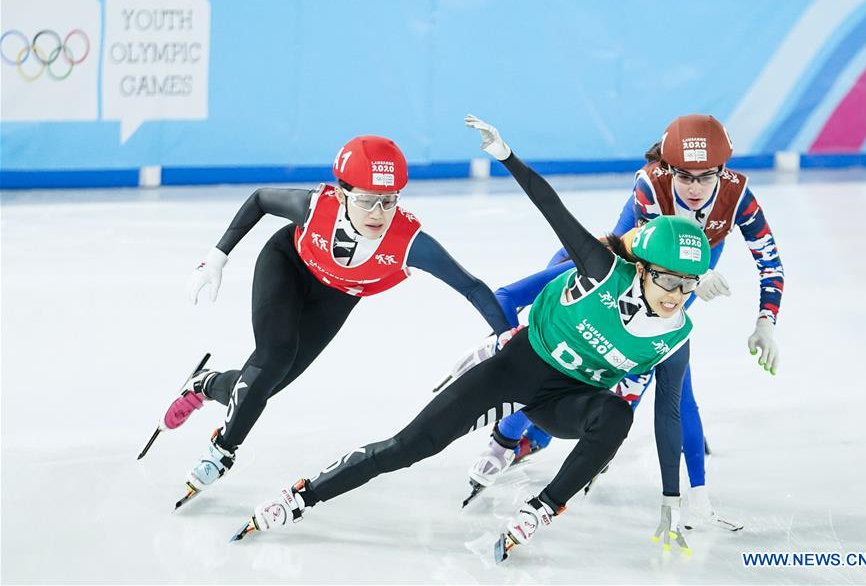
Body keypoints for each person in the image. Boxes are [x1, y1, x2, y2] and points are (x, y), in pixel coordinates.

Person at [232, 116, 711, 560]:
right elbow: (550, 205)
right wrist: (506, 155)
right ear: (642, 269)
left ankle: (539, 509)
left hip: (567, 399)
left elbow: (667, 411)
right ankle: (300, 496)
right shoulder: (602, 268)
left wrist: (673, 497)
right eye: (669, 281)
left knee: (615, 415)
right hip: (516, 367)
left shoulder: (676, 333)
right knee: (408, 447)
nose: (677, 296)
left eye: (689, 286)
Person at [466, 114, 785, 531]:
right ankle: (509, 435)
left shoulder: (738, 193)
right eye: (684, 177)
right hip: (624, 266)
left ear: (723, 172)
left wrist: (766, 321)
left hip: (673, 281)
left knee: (660, 377)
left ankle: (681, 488)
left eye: (706, 177)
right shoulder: (650, 183)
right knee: (562, 338)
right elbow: (646, 250)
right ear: (667, 169)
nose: (694, 188)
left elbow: (770, 260)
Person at [160, 135, 512, 505]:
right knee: (273, 357)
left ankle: (204, 383)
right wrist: (216, 257)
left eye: (388, 200)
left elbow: (471, 287)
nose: (378, 212)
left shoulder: (410, 242)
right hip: (288, 264)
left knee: (265, 386)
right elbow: (261, 198)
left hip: (338, 296)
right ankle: (221, 452)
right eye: (366, 200)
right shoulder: (315, 207)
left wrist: (508, 337)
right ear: (342, 194)